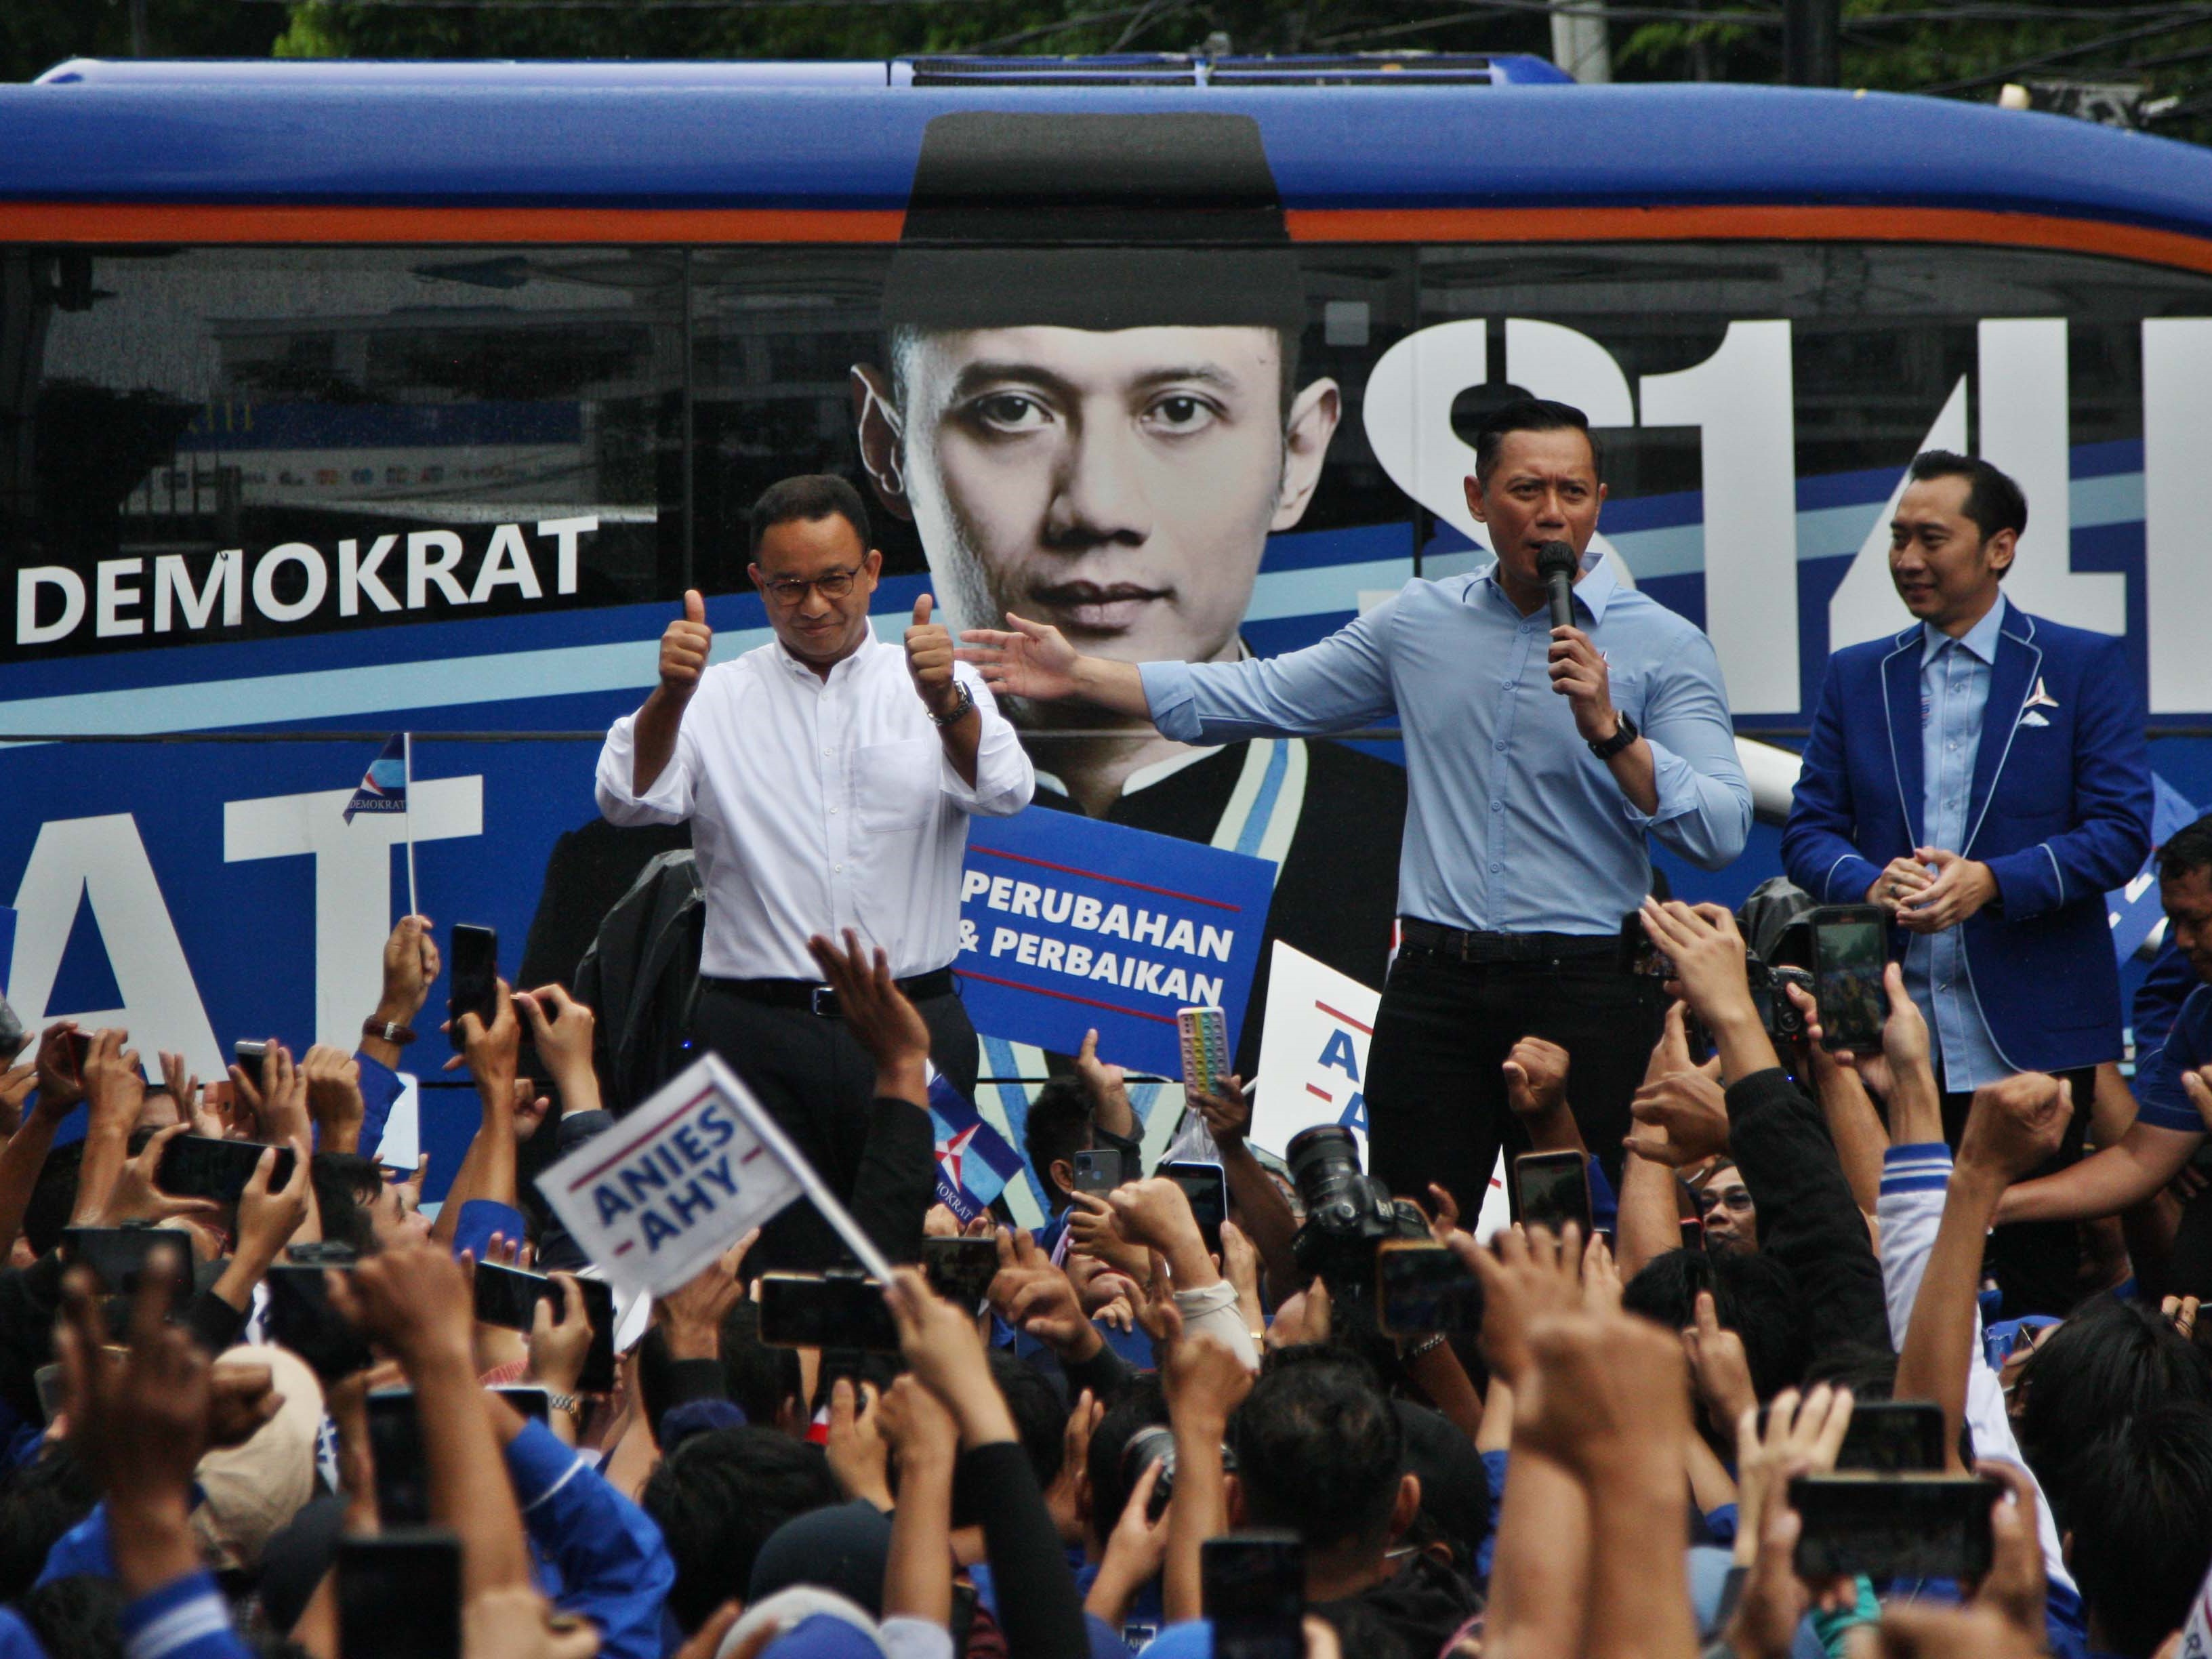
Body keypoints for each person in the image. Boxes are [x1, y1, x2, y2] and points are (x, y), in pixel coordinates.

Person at [958, 396, 1750, 1212]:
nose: (1552, 514)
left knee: (1609, 1233)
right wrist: (1081, 675)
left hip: (1589, 983)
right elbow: (1263, 693)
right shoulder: (1420, 623)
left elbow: (1721, 831)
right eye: (1526, 490)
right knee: (1409, 1238)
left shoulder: (1665, 644)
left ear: (1599, 503)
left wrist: (1612, 731)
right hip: (1441, 989)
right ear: (1477, 500)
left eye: (1573, 493)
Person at [850, 108, 1408, 1084]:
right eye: (1010, 411)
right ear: (886, 450)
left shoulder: (1436, 856)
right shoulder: (738, 847)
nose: (1098, 508)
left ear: (1299, 453)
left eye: (1180, 410)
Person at [595, 474, 1033, 1265]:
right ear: (759, 583)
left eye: (835, 580)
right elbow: (627, 800)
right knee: (755, 1279)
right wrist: (668, 696)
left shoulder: (940, 684)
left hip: (913, 1031)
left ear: (871, 570)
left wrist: (945, 702)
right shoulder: (711, 696)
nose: (816, 605)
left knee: (923, 1271)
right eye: (790, 585)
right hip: (755, 1037)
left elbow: (1006, 790)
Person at [1783, 450, 2153, 1315]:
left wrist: (1993, 881)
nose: (1908, 558)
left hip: (2030, 1031)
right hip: (1878, 1031)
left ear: (2000, 549)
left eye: (1931, 539)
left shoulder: (2080, 665)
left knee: (2034, 1284)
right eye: (1899, 539)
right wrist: (1866, 882)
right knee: (1883, 1274)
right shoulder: (1856, 672)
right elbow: (1807, 831)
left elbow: (2121, 832)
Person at [1994, 817, 2212, 1293]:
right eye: (2173, 921)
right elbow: (2137, 1162)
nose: (2182, 942)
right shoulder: (2200, 1013)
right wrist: (1987, 1203)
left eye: (2197, 921)